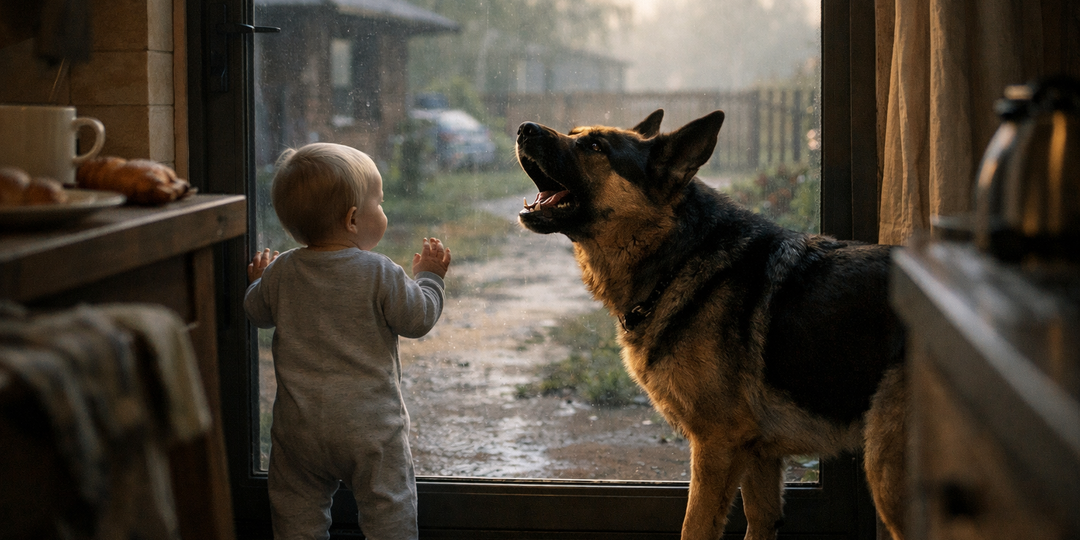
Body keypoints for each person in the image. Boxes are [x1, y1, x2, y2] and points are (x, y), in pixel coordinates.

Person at [244, 143, 451, 540]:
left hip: (298, 429)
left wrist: (258, 280)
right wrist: (430, 278)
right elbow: (418, 319)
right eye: (380, 203)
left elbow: (256, 313)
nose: (384, 211)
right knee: (388, 508)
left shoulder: (283, 271)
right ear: (353, 219)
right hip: (370, 430)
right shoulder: (380, 272)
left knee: (296, 514)